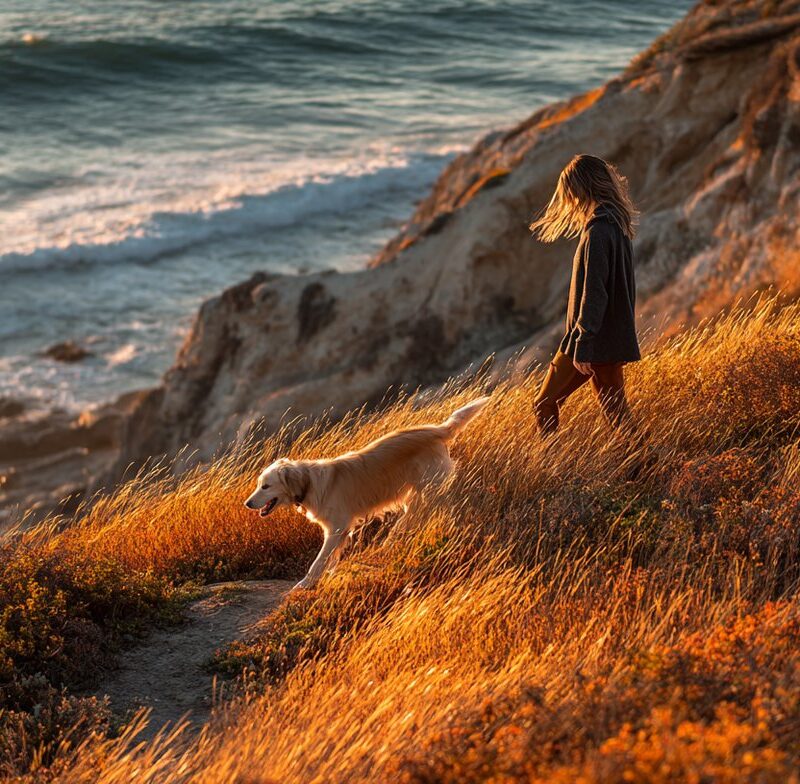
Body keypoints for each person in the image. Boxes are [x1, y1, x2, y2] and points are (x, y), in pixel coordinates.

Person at [530, 154, 640, 436]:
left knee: (544, 403)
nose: (568, 198)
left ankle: (551, 471)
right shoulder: (616, 224)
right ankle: (644, 469)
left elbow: (595, 292)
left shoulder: (599, 231)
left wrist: (583, 341)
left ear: (580, 188)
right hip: (609, 340)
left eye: (569, 190)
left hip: (591, 341)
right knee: (617, 415)